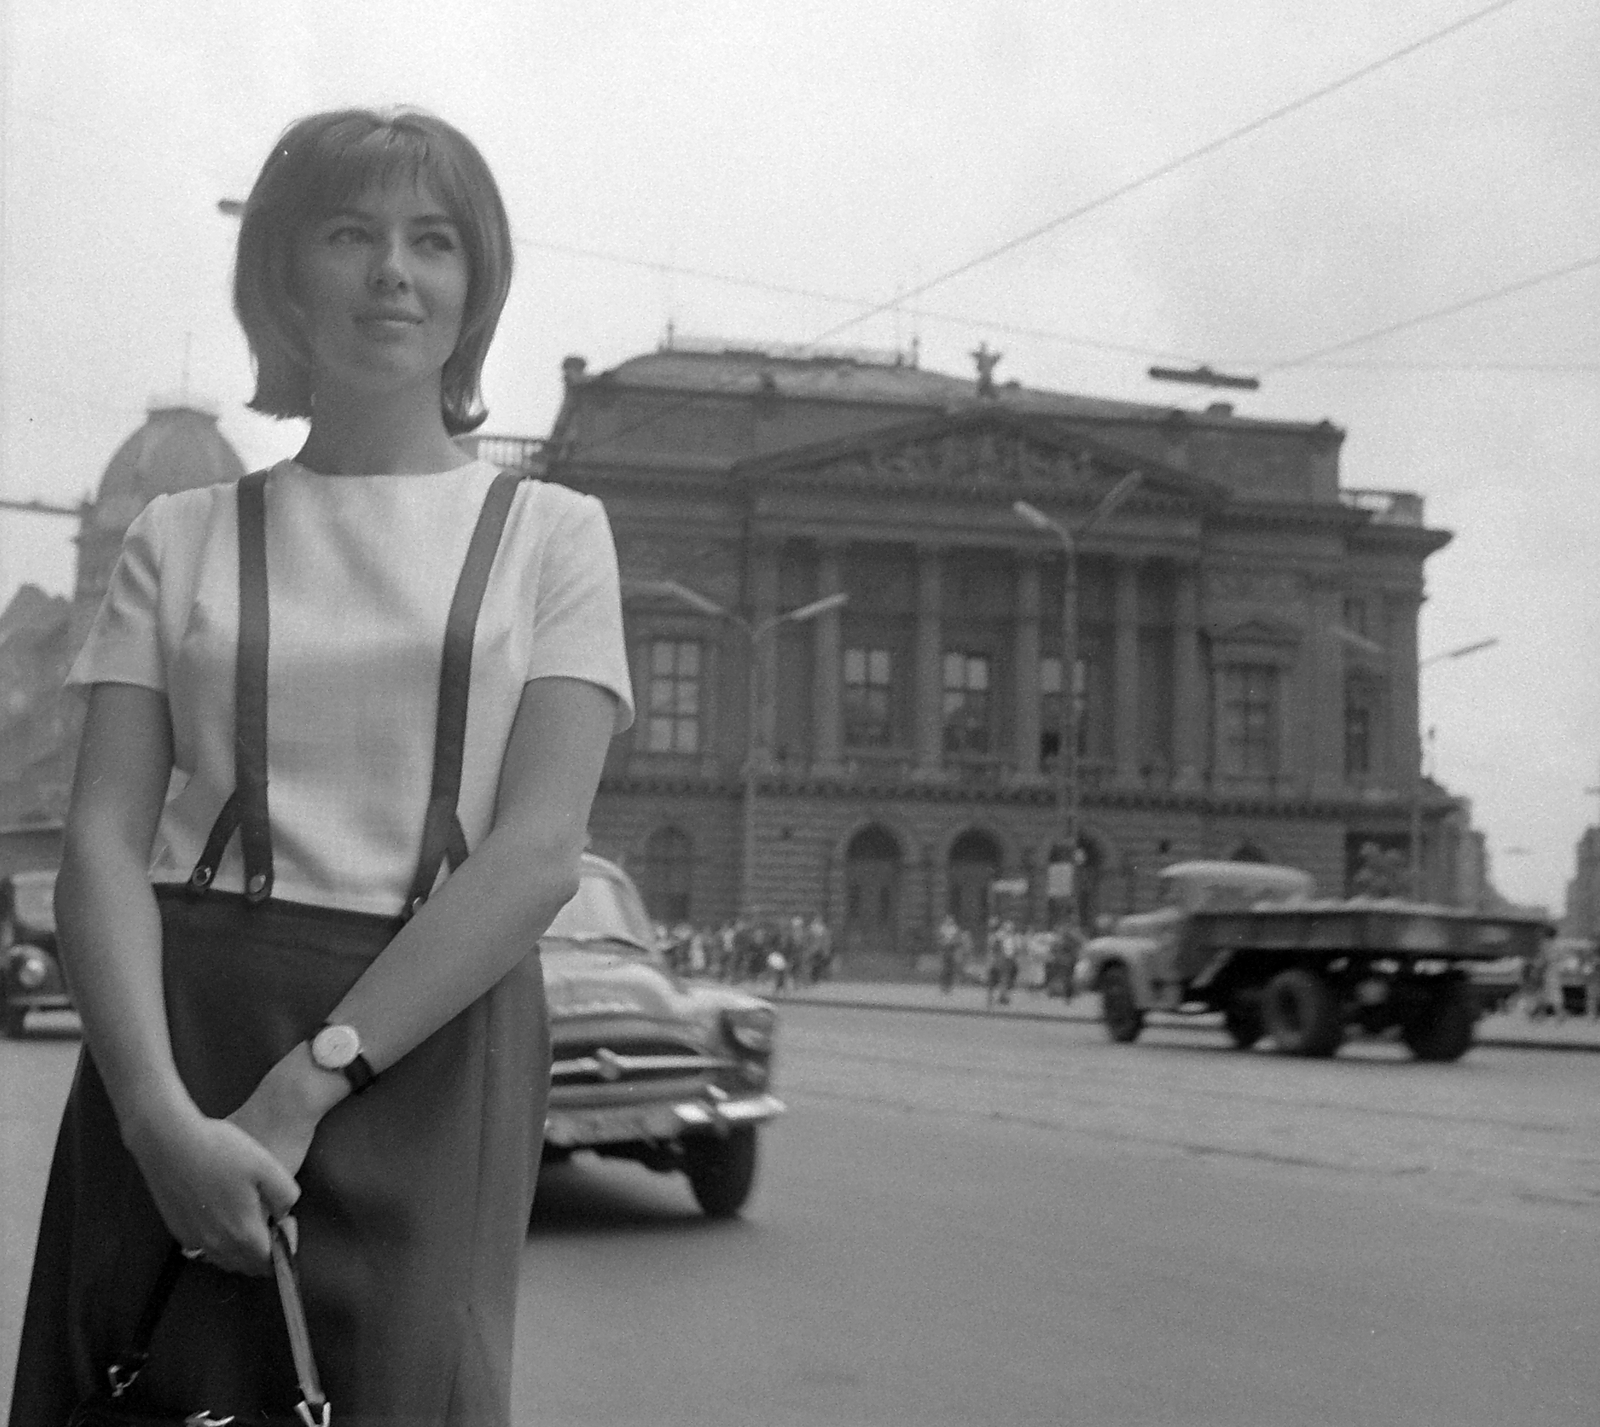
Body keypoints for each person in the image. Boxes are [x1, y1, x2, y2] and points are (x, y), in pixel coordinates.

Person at [8, 108, 632, 1427]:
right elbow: (105, 842)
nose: (392, 270)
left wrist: (312, 1082)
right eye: (349, 234)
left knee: (402, 1388)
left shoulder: (554, 537)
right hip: (178, 1040)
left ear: (477, 286)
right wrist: (158, 1122)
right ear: (288, 277)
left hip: (431, 1037)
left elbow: (533, 858)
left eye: (433, 240)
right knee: (146, 1383)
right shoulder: (179, 533)